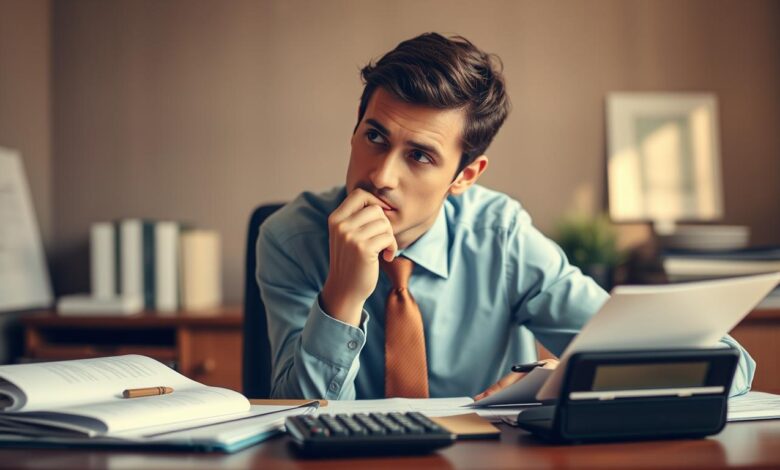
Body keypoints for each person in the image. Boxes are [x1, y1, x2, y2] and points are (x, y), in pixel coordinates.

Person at [256, 32, 755, 400]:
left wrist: (558, 378)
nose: (382, 174)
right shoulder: (289, 238)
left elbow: (725, 369)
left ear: (466, 175)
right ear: (354, 132)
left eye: (421, 156)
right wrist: (341, 298)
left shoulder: (500, 236)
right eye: (375, 137)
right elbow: (295, 417)